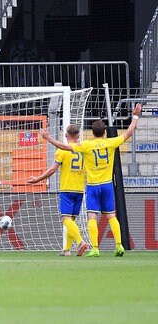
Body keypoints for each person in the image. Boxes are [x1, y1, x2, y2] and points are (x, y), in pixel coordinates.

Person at [40, 103, 142, 257]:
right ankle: (119, 245)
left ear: (92, 133)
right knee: (111, 216)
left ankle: (94, 248)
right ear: (105, 132)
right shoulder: (111, 142)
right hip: (107, 185)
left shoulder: (86, 146)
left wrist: (48, 138)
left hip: (92, 186)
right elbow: (128, 132)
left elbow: (65, 147)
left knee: (91, 217)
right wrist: (135, 115)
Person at [28, 124, 88, 256]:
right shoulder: (83, 149)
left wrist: (38, 179)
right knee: (71, 220)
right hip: (79, 188)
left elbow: (53, 169)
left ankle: (80, 242)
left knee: (65, 219)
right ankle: (67, 250)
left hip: (67, 188)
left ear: (66, 136)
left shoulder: (61, 151)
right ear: (78, 136)